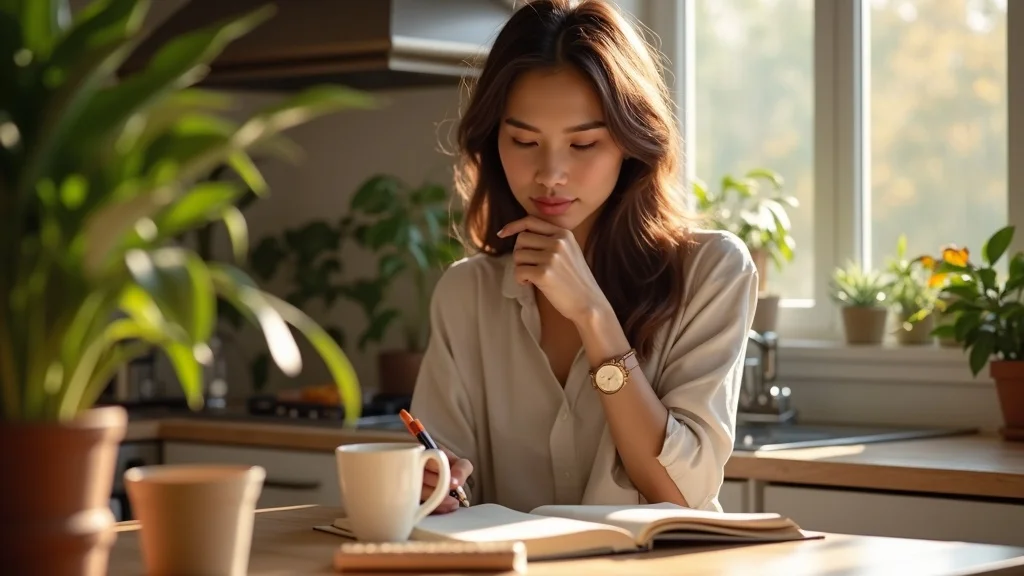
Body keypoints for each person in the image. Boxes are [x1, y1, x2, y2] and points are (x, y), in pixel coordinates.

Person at [409, 0, 759, 515]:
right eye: (524, 140)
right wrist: (432, 486)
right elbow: (446, 487)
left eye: (583, 144)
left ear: (630, 142)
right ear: (493, 141)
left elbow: (681, 491)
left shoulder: (712, 272)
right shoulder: (467, 295)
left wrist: (593, 317)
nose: (550, 173)